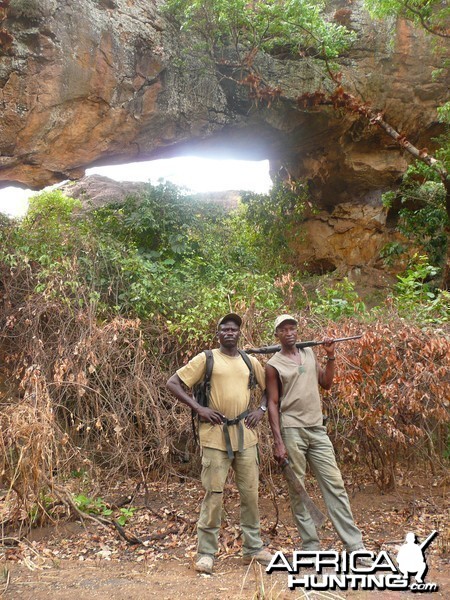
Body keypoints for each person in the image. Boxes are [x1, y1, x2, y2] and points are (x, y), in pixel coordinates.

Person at [166, 313, 272, 574]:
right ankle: (206, 553)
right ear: (218, 333)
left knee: (250, 494)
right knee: (213, 494)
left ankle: (253, 549)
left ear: (239, 333)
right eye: (224, 329)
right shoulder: (207, 358)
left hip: (245, 436)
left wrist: (261, 408)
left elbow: (271, 385)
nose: (229, 332)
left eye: (234, 329)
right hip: (214, 436)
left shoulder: (250, 361)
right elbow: (173, 382)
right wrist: (199, 408)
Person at [266, 314, 366, 553]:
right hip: (292, 430)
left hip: (317, 429)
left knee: (335, 485)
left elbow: (326, 383)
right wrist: (278, 442)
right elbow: (272, 402)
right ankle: (310, 546)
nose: (289, 333)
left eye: (292, 328)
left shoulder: (309, 354)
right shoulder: (273, 365)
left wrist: (331, 355)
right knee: (298, 489)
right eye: (283, 329)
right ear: (277, 334)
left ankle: (355, 545)